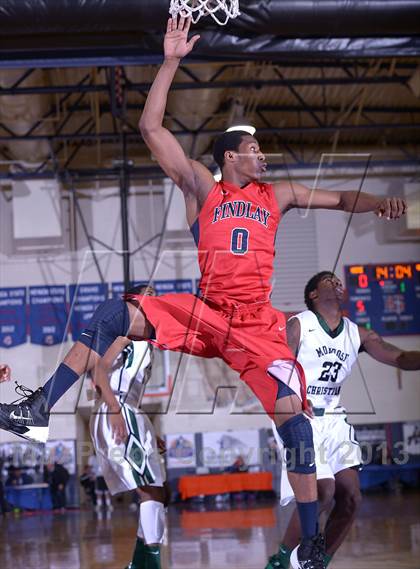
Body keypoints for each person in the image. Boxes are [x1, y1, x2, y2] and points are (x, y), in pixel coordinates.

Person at [0, 16, 406, 569]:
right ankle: (39, 407)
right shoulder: (200, 186)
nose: (263, 153)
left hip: (258, 325)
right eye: (254, 147)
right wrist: (169, 63)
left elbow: (337, 199)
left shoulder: (277, 193)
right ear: (229, 156)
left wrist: (377, 203)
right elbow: (151, 130)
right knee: (113, 314)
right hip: (208, 313)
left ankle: (309, 544)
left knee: (299, 433)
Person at [265, 271, 420, 569]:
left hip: (333, 418)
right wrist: (294, 398)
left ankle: (319, 561)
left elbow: (399, 357)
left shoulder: (357, 333)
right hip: (299, 416)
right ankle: (282, 559)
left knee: (351, 498)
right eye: (328, 281)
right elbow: (277, 366)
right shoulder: (300, 324)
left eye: (338, 281)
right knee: (324, 491)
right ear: (312, 295)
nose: (337, 284)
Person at [89, 284, 167, 569]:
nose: (156, 299)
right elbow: (97, 371)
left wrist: (149, 431)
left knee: (155, 490)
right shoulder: (126, 333)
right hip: (117, 409)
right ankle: (150, 564)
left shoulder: (149, 339)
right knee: (150, 491)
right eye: (150, 294)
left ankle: (140, 563)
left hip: (130, 411)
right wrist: (114, 410)